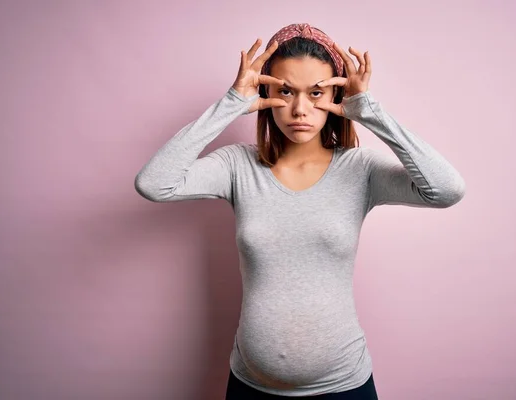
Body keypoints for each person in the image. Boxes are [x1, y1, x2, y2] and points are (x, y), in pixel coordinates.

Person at [134, 23, 466, 399]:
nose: (299, 109)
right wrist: (230, 104)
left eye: (317, 93)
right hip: (251, 386)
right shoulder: (236, 166)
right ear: (266, 92)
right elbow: (154, 183)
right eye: (286, 90)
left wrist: (370, 112)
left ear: (336, 95)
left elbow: (446, 189)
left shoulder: (360, 170)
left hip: (344, 386)